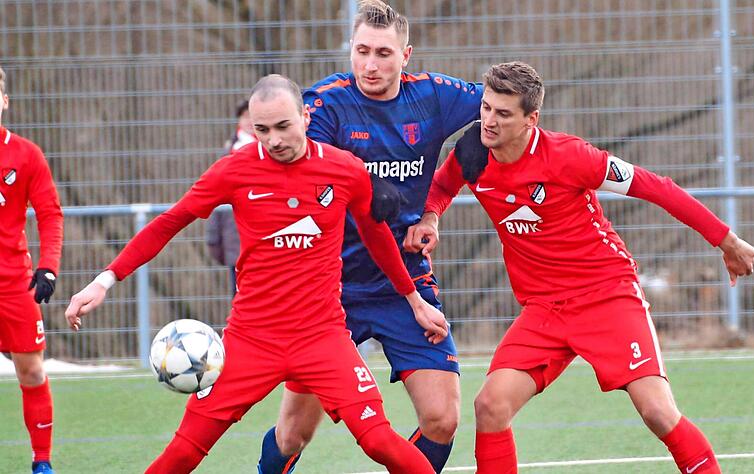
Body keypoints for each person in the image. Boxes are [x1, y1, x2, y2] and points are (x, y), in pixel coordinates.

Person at [63, 74, 448, 474]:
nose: (274, 139)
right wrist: (105, 279)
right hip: (249, 342)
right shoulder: (235, 170)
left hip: (323, 338)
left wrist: (414, 299)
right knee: (183, 453)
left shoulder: (344, 170)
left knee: (379, 440)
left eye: (283, 126)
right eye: (262, 129)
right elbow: (170, 222)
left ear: (304, 116)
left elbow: (376, 237)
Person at [406, 62, 754, 474]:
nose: (488, 121)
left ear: (530, 119)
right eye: (486, 108)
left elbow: (656, 188)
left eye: (503, 114)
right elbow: (443, 187)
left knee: (657, 412)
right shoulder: (473, 154)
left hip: (606, 295)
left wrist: (726, 240)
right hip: (544, 310)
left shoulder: (570, 157)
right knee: (490, 405)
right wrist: (430, 216)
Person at [257, 2, 484, 473]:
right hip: (328, 289)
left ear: (406, 55)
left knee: (442, 418)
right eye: (361, 51)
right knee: (294, 432)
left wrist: (474, 151)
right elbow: (294, 166)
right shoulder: (325, 104)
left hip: (406, 284)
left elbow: (504, 103)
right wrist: (355, 182)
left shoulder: (435, 96)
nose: (370, 64)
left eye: (383, 53)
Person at [0, 65, 64, 474]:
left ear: (3, 100)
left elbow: (49, 214)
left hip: (12, 284)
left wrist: (48, 267)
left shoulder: (25, 154)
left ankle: (41, 463)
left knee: (31, 369)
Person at [205, 100, 254, 294]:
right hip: (237, 242)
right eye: (245, 116)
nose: (250, 121)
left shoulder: (277, 152)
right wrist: (213, 238)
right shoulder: (228, 155)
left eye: (253, 116)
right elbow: (213, 197)